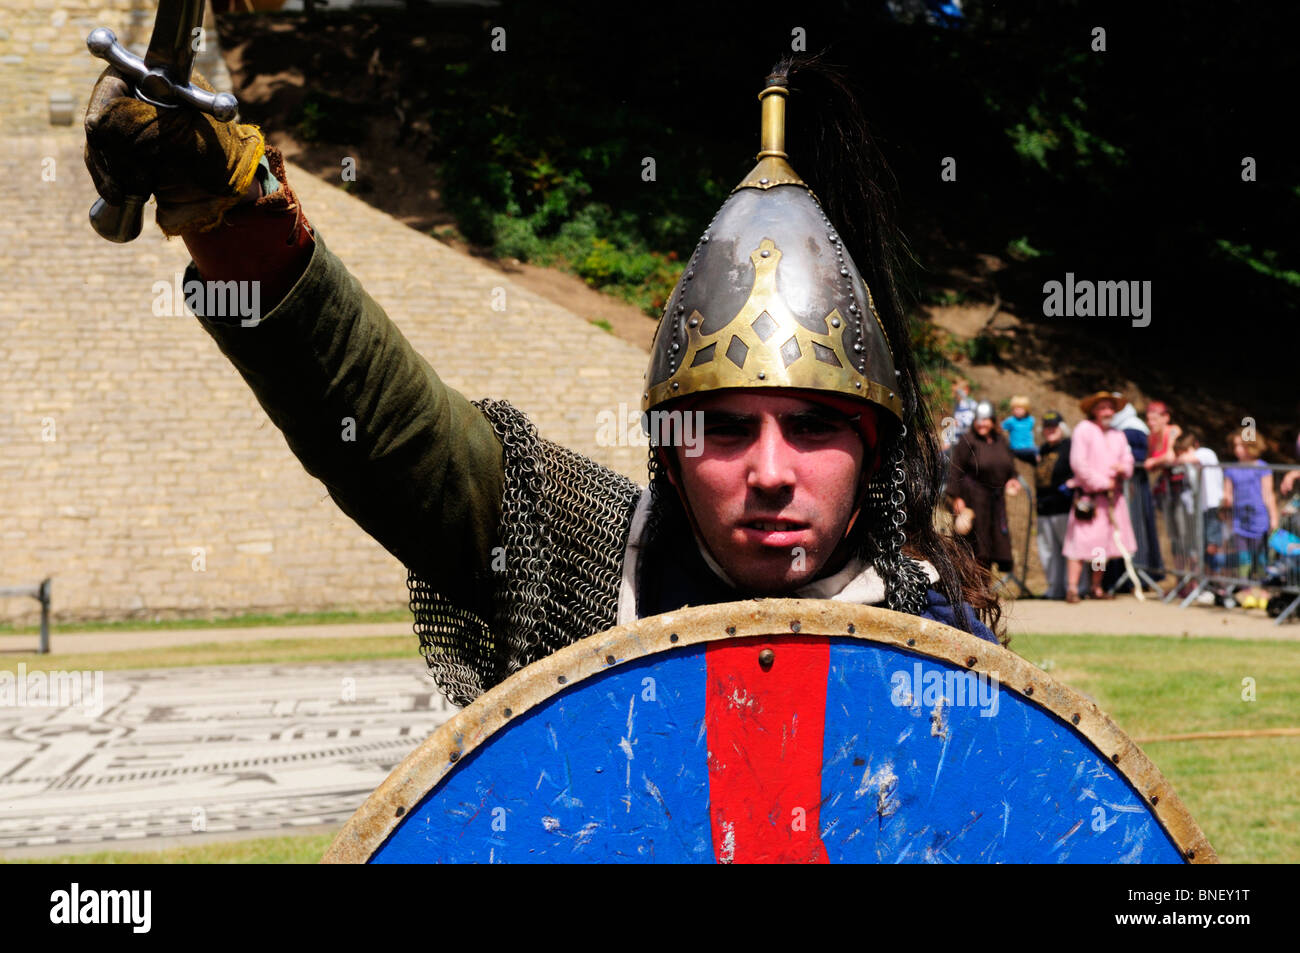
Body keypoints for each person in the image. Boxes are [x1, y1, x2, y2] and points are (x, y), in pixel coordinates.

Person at [83, 57, 1001, 705]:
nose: (769, 469)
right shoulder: (590, 559)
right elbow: (391, 434)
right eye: (723, 430)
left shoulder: (949, 659)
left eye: (810, 426)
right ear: (670, 455)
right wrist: (239, 221)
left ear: (872, 446)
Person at [1063, 391, 1137, 603]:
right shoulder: (1083, 430)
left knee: (1100, 547)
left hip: (1111, 501)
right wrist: (1102, 482)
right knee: (1079, 543)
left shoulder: (1118, 434)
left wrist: (1122, 469)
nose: (1107, 412)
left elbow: (1128, 460)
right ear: (1094, 410)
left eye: (1110, 408)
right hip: (1089, 497)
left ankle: (1096, 587)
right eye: (1103, 407)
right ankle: (1072, 588)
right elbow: (1079, 464)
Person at [946, 401, 1020, 573]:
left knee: (993, 546)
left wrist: (1013, 479)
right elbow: (955, 469)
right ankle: (973, 591)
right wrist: (956, 498)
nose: (982, 424)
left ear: (993, 421)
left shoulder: (1001, 441)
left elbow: (1010, 468)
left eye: (985, 420)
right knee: (976, 547)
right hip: (973, 498)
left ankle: (985, 591)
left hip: (995, 500)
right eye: (979, 420)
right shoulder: (968, 440)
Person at [1110, 400, 1162, 586]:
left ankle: (1138, 576)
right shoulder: (1111, 429)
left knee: (1136, 530)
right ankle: (1116, 578)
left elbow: (1140, 456)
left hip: (1135, 488)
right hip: (1116, 490)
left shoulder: (1134, 428)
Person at [1221, 433, 1278, 579]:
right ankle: (1245, 591)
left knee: (1261, 559)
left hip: (1259, 519)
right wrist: (1225, 510)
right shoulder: (1231, 469)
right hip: (1239, 520)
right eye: (1235, 446)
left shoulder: (1262, 467)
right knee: (1243, 559)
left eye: (1241, 445)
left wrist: (1273, 517)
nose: (1237, 449)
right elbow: (1228, 495)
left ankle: (1262, 593)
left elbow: (1268, 494)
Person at [1033, 411, 1078, 599]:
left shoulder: (1070, 446)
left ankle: (1074, 587)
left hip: (1064, 506)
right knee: (1048, 551)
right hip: (1044, 507)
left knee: (1070, 549)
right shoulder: (1043, 449)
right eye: (1047, 427)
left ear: (1062, 428)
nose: (1050, 430)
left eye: (1054, 426)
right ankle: (1054, 588)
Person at [1144, 401, 1190, 570]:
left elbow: (1170, 456)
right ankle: (1179, 579)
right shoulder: (1152, 437)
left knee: (1186, 535)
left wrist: (1154, 461)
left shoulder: (1173, 431)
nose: (1151, 424)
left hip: (1182, 490)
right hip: (1166, 491)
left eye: (1155, 419)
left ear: (1165, 418)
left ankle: (1192, 579)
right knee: (1174, 537)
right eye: (1148, 420)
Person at [1174, 430, 1224, 571]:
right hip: (1202, 507)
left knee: (1212, 545)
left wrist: (1171, 439)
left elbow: (1185, 458)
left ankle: (1218, 580)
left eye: (1186, 450)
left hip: (1213, 505)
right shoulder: (1194, 461)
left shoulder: (1206, 453)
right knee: (1201, 546)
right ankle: (1207, 581)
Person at [1001, 395, 1038, 464]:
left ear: (1026, 409)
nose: (1017, 411)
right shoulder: (1010, 421)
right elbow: (1000, 427)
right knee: (1036, 451)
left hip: (1029, 446)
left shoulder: (1031, 420)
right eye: (1015, 409)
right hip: (1017, 448)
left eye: (1020, 408)